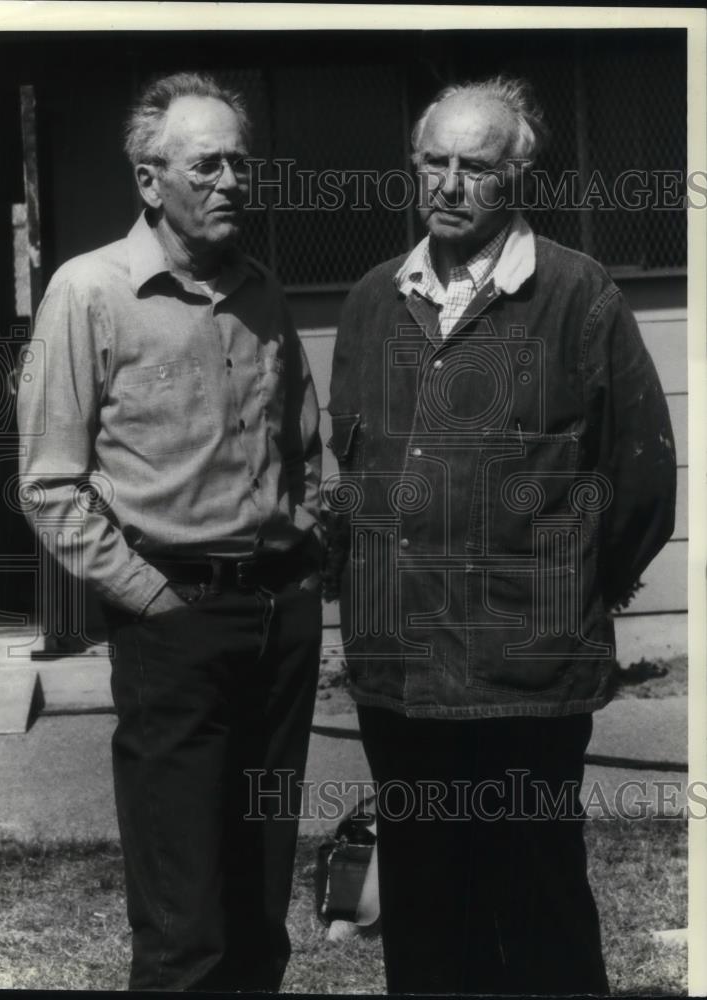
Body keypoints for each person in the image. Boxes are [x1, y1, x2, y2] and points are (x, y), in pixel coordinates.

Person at [327, 75, 676, 995]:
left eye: (474, 167)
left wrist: (555, 593)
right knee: (425, 915)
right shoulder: (370, 300)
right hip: (399, 674)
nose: (448, 185)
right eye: (432, 162)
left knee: (537, 908)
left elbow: (639, 489)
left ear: (516, 176)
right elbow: (358, 478)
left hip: (527, 677)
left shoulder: (577, 295)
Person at [17, 71, 323, 992]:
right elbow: (49, 485)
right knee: (184, 924)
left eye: (241, 162)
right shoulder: (88, 292)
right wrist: (151, 600)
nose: (232, 181)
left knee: (259, 907)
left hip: (278, 623)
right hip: (172, 623)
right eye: (207, 165)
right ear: (150, 181)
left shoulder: (262, 292)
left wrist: (307, 570)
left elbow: (304, 449)